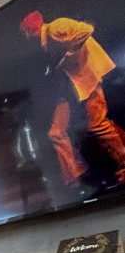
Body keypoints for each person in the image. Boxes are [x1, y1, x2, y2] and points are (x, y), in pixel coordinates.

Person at [20, 11, 125, 189]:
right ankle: (76, 178)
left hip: (87, 80)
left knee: (98, 125)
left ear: (30, 29)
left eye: (24, 31)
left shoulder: (56, 27)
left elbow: (86, 29)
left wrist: (72, 53)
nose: (24, 36)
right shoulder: (47, 42)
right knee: (56, 132)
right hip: (72, 87)